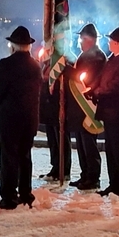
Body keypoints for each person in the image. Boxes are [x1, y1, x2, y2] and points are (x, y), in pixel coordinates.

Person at [0, 26, 42, 209]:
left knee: (9, 158)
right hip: (29, 119)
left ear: (13, 46)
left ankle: (9, 196)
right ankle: (26, 194)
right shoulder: (36, 66)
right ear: (29, 46)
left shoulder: (6, 65)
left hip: (9, 119)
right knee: (25, 157)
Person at [87, 26, 119, 198]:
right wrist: (92, 87)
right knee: (110, 148)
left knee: (118, 148)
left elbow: (117, 85)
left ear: (118, 43)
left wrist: (98, 91)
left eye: (111, 41)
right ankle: (114, 183)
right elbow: (101, 77)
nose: (108, 43)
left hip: (118, 110)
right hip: (108, 110)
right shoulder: (113, 58)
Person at [68, 23, 106, 191]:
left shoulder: (97, 57)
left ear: (91, 40)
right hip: (80, 106)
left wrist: (67, 70)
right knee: (82, 143)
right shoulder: (86, 55)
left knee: (89, 143)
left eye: (82, 39)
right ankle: (85, 174)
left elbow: (85, 77)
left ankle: (93, 177)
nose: (80, 42)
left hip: (89, 106)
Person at [38, 47, 72, 181]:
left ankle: (63, 169)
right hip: (48, 109)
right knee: (52, 140)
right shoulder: (47, 64)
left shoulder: (62, 63)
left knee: (61, 140)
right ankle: (55, 167)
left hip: (57, 107)